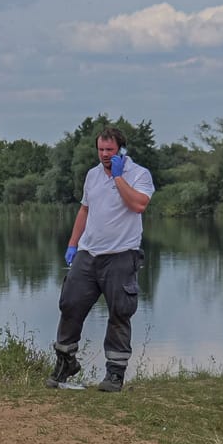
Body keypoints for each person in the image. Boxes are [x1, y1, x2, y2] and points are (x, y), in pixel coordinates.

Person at [49, 126, 155, 392]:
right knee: (69, 303)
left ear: (121, 150)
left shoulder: (139, 174)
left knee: (120, 312)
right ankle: (66, 361)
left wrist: (119, 178)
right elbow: (85, 210)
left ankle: (114, 375)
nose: (105, 155)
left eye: (110, 150)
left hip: (122, 255)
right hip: (89, 253)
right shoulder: (92, 175)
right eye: (101, 150)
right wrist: (73, 244)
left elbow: (139, 205)